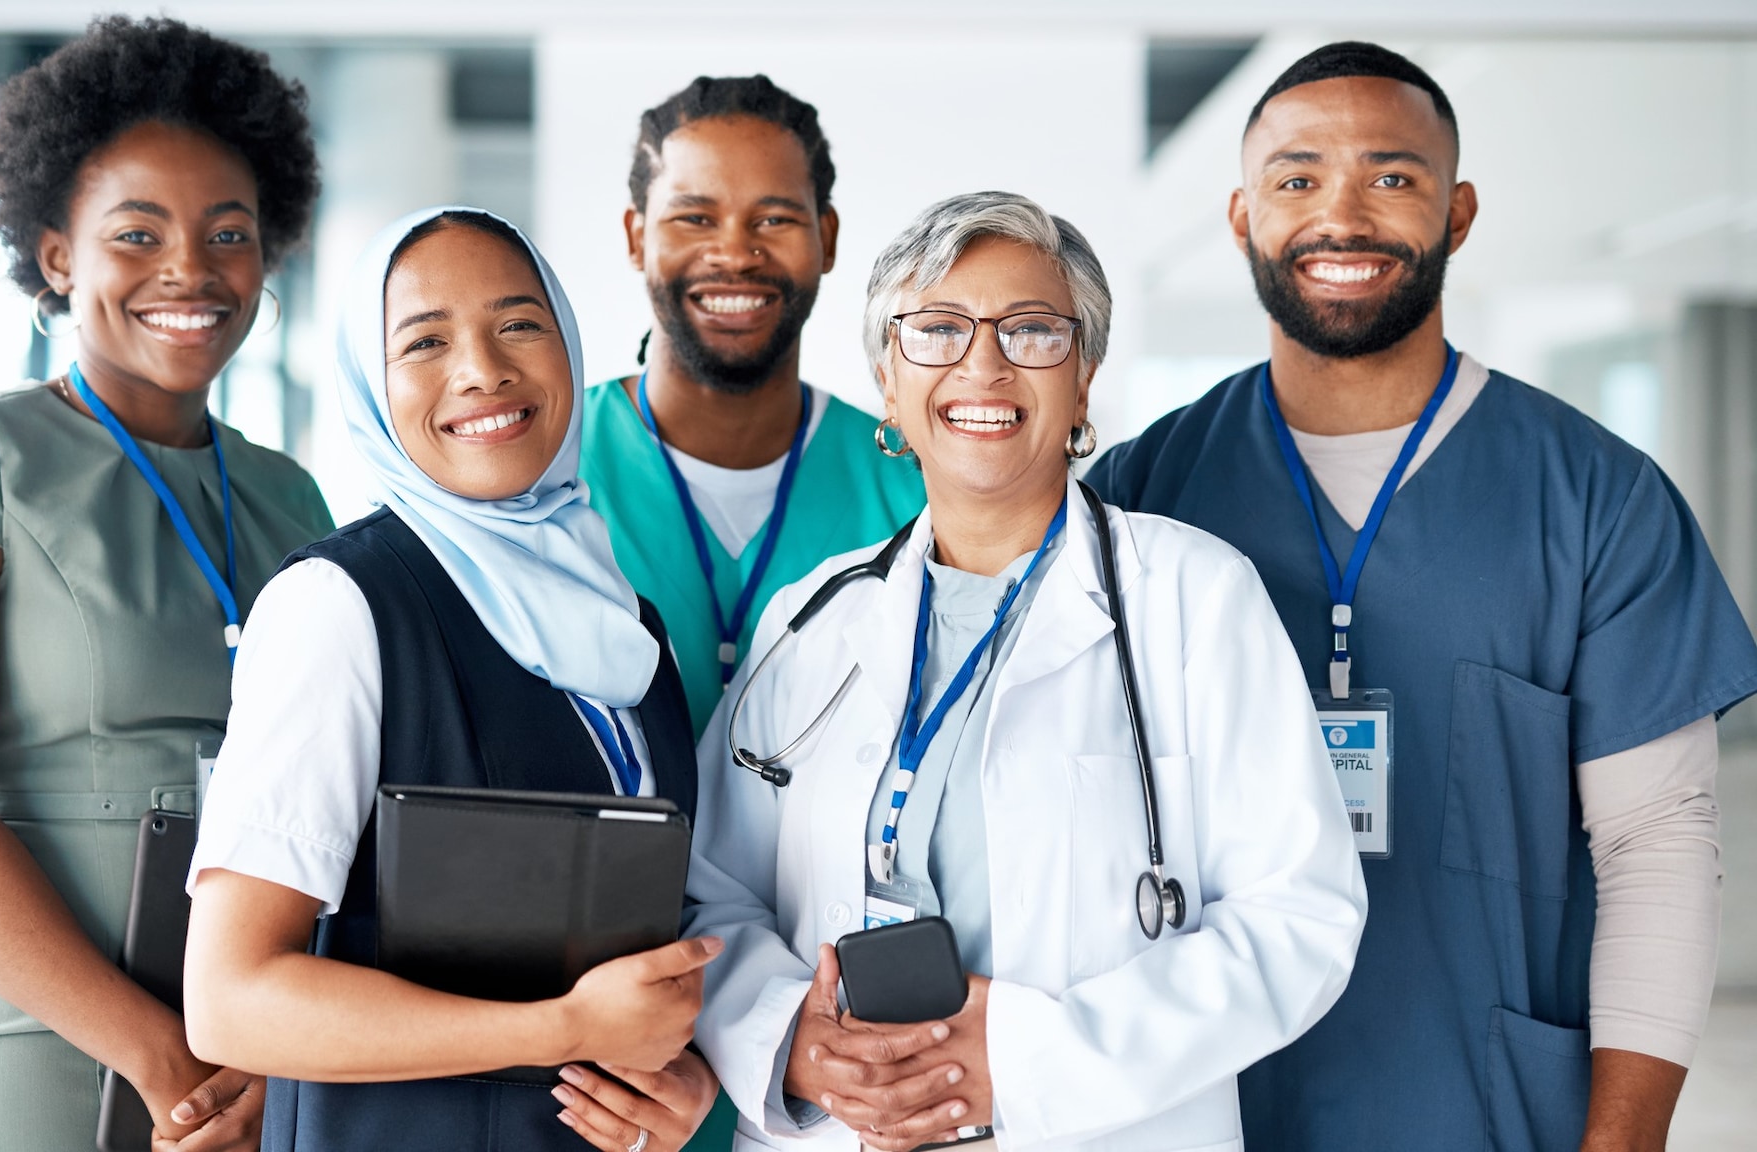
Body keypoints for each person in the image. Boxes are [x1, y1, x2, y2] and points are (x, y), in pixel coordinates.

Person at [1084, 42, 1757, 1152]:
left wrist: (1623, 1141)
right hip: (1198, 1105)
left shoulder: (1595, 498)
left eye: (1390, 178)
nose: (1339, 217)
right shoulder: (1141, 493)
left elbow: (1656, 843)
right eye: (1295, 179)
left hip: (1483, 1108)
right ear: (1241, 215)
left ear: (1456, 213)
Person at [686, 191, 1368, 1151]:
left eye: (1033, 331)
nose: (983, 364)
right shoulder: (812, 616)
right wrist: (790, 1040)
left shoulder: (1194, 598)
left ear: (1083, 379)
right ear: (889, 382)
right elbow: (710, 891)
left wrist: (1024, 1057)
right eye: (937, 330)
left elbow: (1300, 918)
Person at [0, 17, 332, 1151]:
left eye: (229, 233)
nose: (189, 270)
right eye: (136, 232)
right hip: (19, 1046)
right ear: (57, 255)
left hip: (241, 1064)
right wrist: (160, 1053)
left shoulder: (293, 501)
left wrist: (268, 1051)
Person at [180, 207, 724, 1152]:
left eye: (520, 323)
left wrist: (681, 1087)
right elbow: (232, 1002)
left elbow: (640, 963)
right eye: (425, 342)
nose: (483, 370)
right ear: (370, 385)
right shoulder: (339, 606)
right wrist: (561, 1031)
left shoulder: (632, 629)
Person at [581, 75, 925, 738]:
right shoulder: (550, 471)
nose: (736, 253)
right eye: (694, 218)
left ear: (825, 236)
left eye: (774, 219)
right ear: (636, 236)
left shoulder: (914, 483)